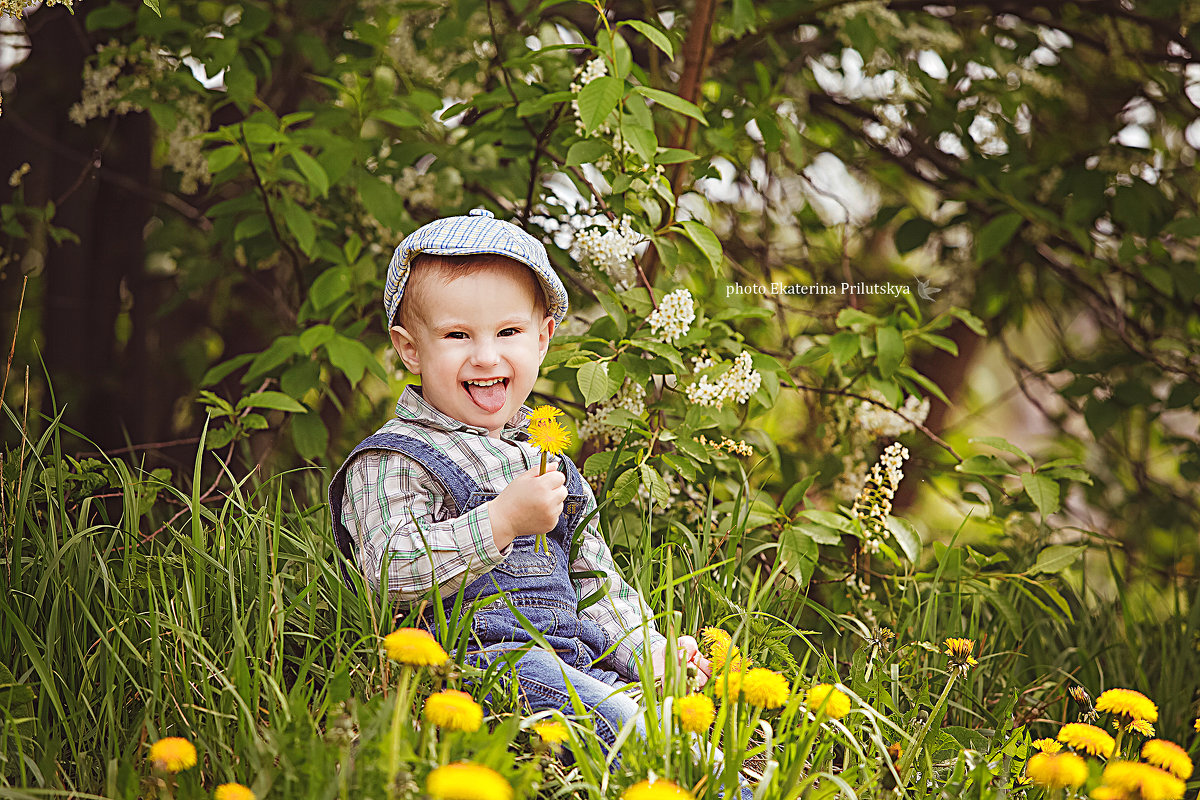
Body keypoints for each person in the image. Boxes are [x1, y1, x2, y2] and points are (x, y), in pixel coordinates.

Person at [328, 209, 753, 798]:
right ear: (410, 350)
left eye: (507, 333)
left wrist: (654, 657)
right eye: (457, 336)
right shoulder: (395, 459)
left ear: (544, 338)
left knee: (694, 740)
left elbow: (596, 585)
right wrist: (498, 522)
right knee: (641, 736)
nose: (485, 357)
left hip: (573, 662)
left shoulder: (552, 465)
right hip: (471, 668)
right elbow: (389, 570)